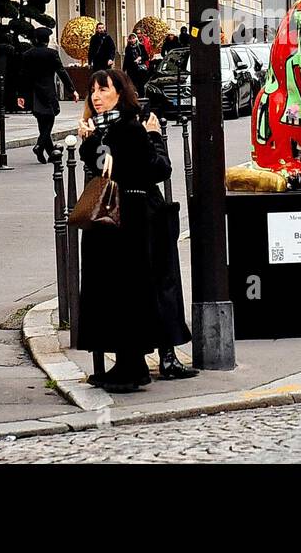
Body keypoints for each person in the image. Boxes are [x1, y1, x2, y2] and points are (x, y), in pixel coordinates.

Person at [77, 69, 194, 391]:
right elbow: (101, 165)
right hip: (111, 222)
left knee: (126, 292)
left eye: (104, 90)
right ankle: (128, 365)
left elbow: (144, 169)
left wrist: (93, 143)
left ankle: (131, 369)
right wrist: (89, 140)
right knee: (113, 292)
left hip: (127, 221)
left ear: (120, 92)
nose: (96, 97)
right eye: (93, 91)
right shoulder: (106, 128)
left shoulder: (127, 127)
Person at [19, 27, 78, 163]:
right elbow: (61, 71)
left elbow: (23, 75)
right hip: (48, 91)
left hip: (34, 92)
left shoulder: (27, 54)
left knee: (41, 121)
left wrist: (21, 95)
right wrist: (72, 90)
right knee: (50, 118)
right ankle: (39, 145)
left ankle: (50, 152)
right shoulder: (51, 54)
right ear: (47, 40)